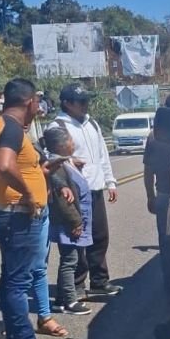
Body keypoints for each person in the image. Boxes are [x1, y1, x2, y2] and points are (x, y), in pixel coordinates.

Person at [0, 78, 65, 339]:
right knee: (18, 283)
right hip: (20, 217)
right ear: (29, 102)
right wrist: (27, 193)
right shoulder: (13, 128)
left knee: (11, 280)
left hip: (8, 213)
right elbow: (3, 164)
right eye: (38, 101)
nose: (39, 106)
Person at [48, 84, 121, 297]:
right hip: (74, 192)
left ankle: (99, 281)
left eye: (87, 100)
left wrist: (110, 181)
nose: (85, 105)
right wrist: (71, 162)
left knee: (99, 236)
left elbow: (102, 154)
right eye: (81, 101)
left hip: (95, 188)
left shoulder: (92, 124)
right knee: (77, 239)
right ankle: (77, 285)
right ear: (67, 103)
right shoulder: (58, 126)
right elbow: (51, 159)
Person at [43, 124, 93, 315]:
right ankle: (70, 301)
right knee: (70, 260)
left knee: (69, 259)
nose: (73, 143)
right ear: (61, 145)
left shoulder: (64, 162)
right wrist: (75, 222)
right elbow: (63, 200)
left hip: (72, 220)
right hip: (68, 222)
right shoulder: (56, 166)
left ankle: (60, 300)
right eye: (70, 140)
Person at [144, 105, 170, 303]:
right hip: (169, 195)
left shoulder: (155, 137)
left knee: (167, 242)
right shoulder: (158, 137)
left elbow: (148, 171)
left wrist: (150, 195)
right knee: (167, 242)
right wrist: (151, 196)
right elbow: (148, 170)